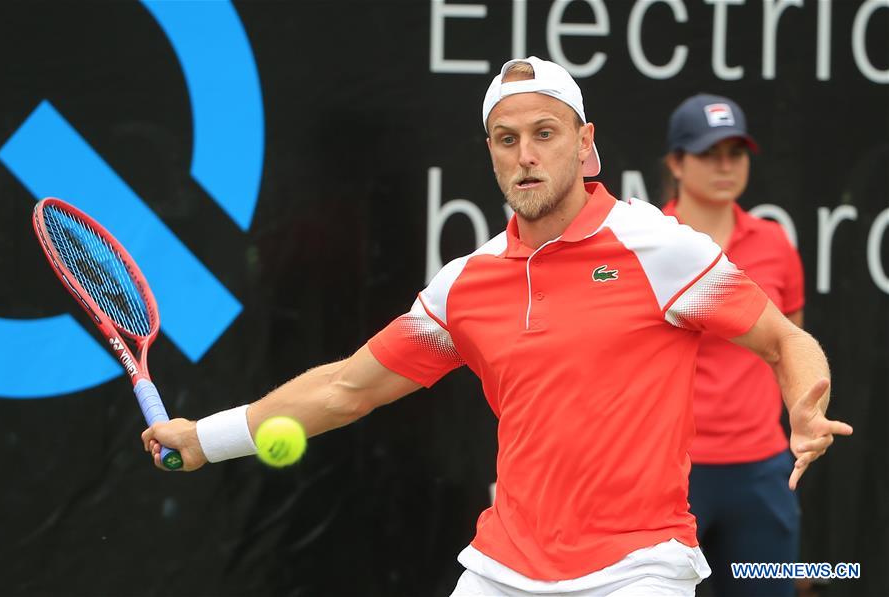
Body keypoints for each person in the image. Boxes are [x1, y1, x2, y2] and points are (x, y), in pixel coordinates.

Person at [142, 57, 852, 596]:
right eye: (505, 139)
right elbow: (346, 388)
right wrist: (205, 438)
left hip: (640, 565)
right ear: (490, 151)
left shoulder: (660, 248)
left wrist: (804, 400)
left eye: (545, 133)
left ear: (585, 142)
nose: (525, 154)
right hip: (502, 567)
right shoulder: (466, 285)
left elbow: (784, 338)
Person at [662, 94, 806, 597]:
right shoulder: (647, 243)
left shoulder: (774, 243)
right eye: (708, 152)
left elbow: (790, 349)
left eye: (736, 152)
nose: (725, 165)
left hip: (762, 473)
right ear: (676, 163)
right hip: (668, 475)